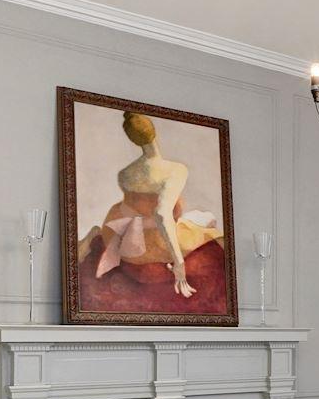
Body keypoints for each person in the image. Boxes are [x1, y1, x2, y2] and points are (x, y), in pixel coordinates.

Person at [89, 111, 222, 297]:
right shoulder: (175, 170)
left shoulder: (125, 175)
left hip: (131, 249)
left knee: (199, 218)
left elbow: (127, 211)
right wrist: (179, 264)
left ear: (133, 139)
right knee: (210, 223)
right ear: (154, 132)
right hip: (158, 245)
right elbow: (161, 215)